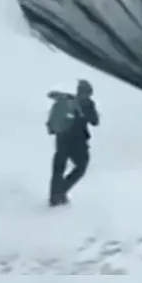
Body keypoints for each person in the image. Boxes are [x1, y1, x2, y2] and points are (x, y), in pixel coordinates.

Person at [47, 79, 99, 207]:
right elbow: (94, 121)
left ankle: (55, 196)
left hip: (61, 138)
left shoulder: (67, 100)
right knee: (81, 166)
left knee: (59, 168)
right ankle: (60, 192)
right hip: (78, 141)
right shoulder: (86, 104)